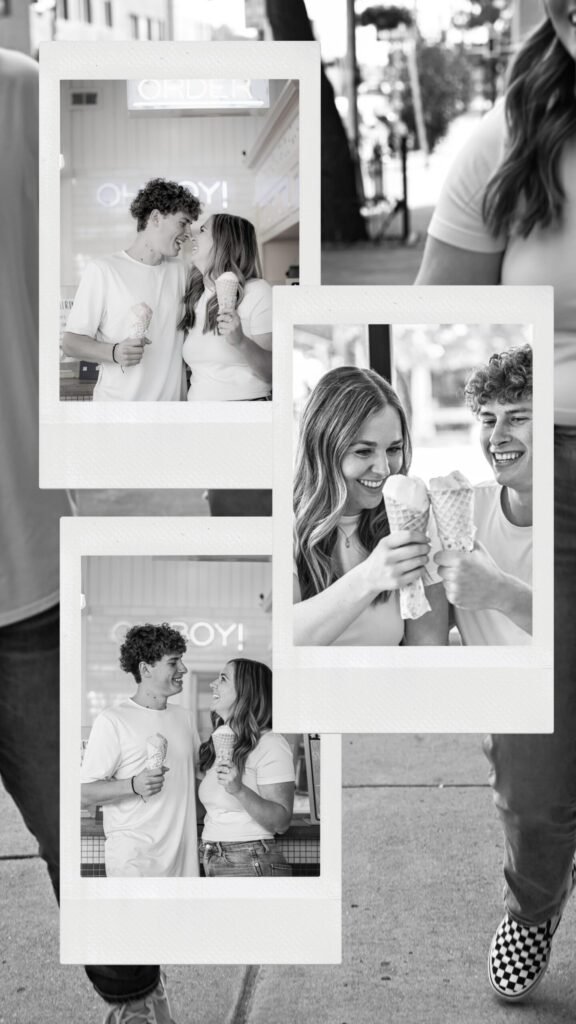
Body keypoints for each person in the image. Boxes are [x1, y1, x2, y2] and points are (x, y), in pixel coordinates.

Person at [0, 49, 175, 1024]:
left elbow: (78, 303)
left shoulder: (22, 96)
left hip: (21, 565)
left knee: (89, 839)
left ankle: (136, 1003)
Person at [416, 7, 576, 1001]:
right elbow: (438, 325)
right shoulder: (502, 147)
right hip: (539, 491)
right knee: (537, 769)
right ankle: (534, 893)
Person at [293, 365, 448, 646]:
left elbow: (428, 650)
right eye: (363, 451)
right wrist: (369, 577)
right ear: (323, 449)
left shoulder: (415, 516)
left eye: (393, 449)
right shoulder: (283, 521)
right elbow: (278, 642)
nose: (384, 468)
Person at [62, 178, 201, 401]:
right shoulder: (104, 270)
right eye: (183, 223)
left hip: (171, 415)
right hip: (118, 414)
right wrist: (114, 352)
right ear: (156, 218)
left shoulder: (183, 272)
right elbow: (70, 343)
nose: (189, 233)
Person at [81, 623, 201, 879]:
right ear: (145, 668)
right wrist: (134, 785)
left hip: (183, 861)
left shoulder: (185, 718)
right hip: (134, 862)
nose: (184, 669)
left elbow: (197, 780)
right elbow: (83, 793)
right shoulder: (113, 720)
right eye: (173, 662)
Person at [433, 346, 533, 645]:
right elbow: (427, 636)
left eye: (517, 418)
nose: (497, 437)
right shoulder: (465, 512)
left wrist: (502, 593)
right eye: (489, 420)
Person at [197, 659, 295, 876]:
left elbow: (281, 822)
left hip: (251, 858)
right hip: (213, 854)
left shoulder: (270, 743)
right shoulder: (222, 743)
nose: (213, 684)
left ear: (246, 692)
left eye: (223, 679)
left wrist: (239, 790)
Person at [180, 213, 273, 401]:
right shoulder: (196, 295)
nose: (193, 236)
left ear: (224, 241)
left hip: (245, 410)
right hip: (199, 413)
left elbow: (274, 371)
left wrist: (241, 342)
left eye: (203, 230)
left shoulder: (257, 291)